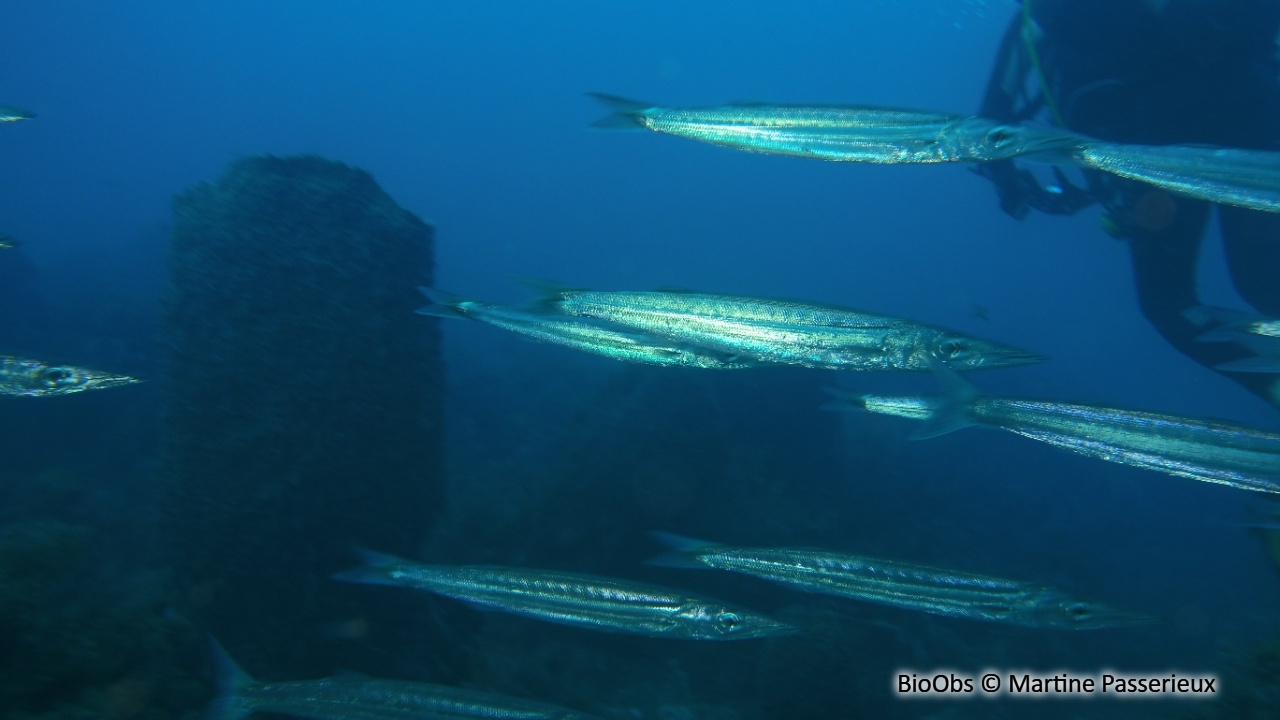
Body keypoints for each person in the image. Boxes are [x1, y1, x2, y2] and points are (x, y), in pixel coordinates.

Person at [975, 0, 1280, 411]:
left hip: (1159, 160)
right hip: (1257, 124)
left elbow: (988, 129)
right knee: (1262, 284)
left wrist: (1013, 188)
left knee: (1170, 306)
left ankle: (1274, 387)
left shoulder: (1037, 19)